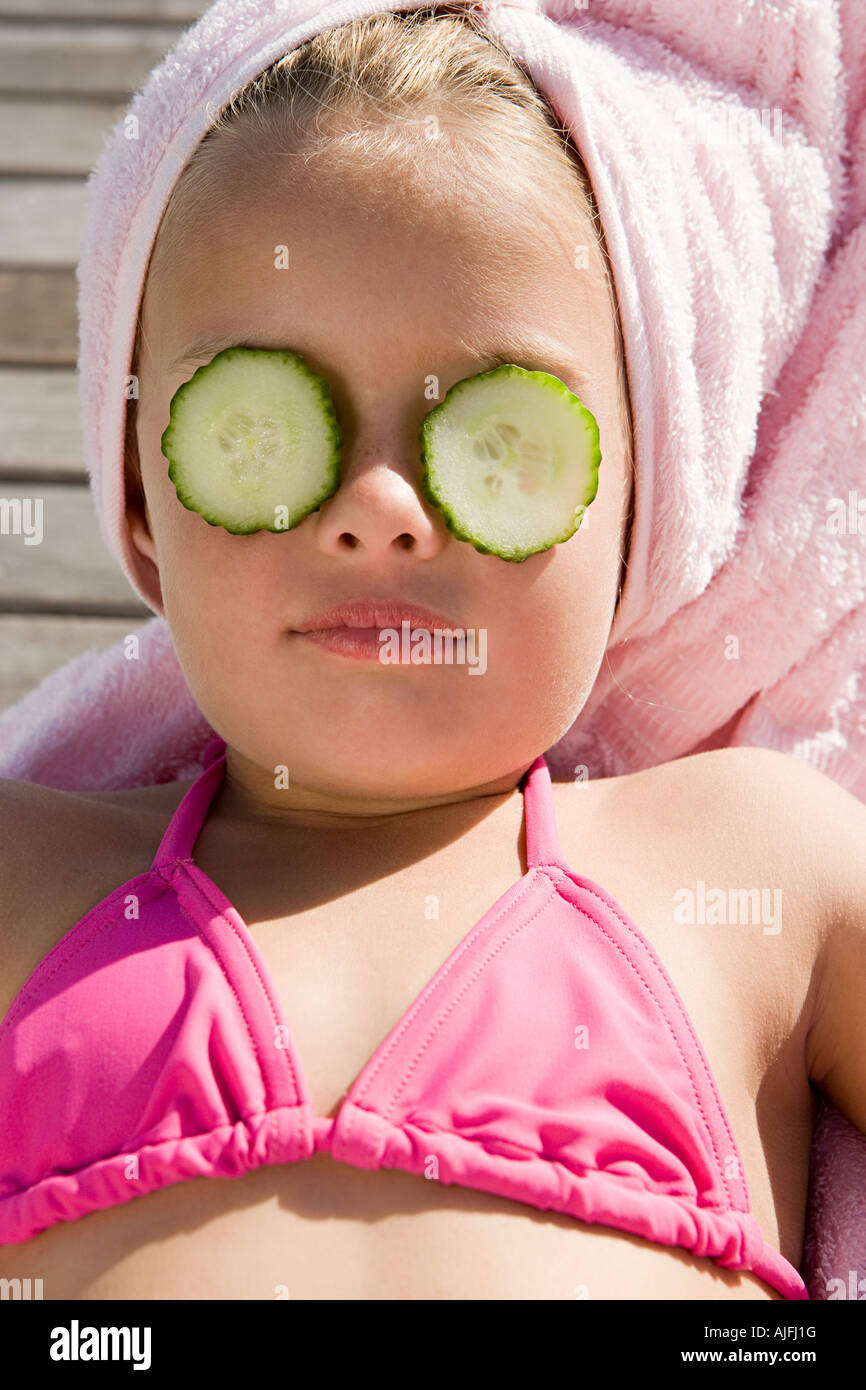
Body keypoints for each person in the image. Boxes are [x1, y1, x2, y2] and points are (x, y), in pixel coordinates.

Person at [0, 6, 863, 1301]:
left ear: (642, 511)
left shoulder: (757, 859)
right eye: (261, 426)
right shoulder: (20, 868)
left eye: (497, 439)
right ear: (139, 503)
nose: (379, 506)